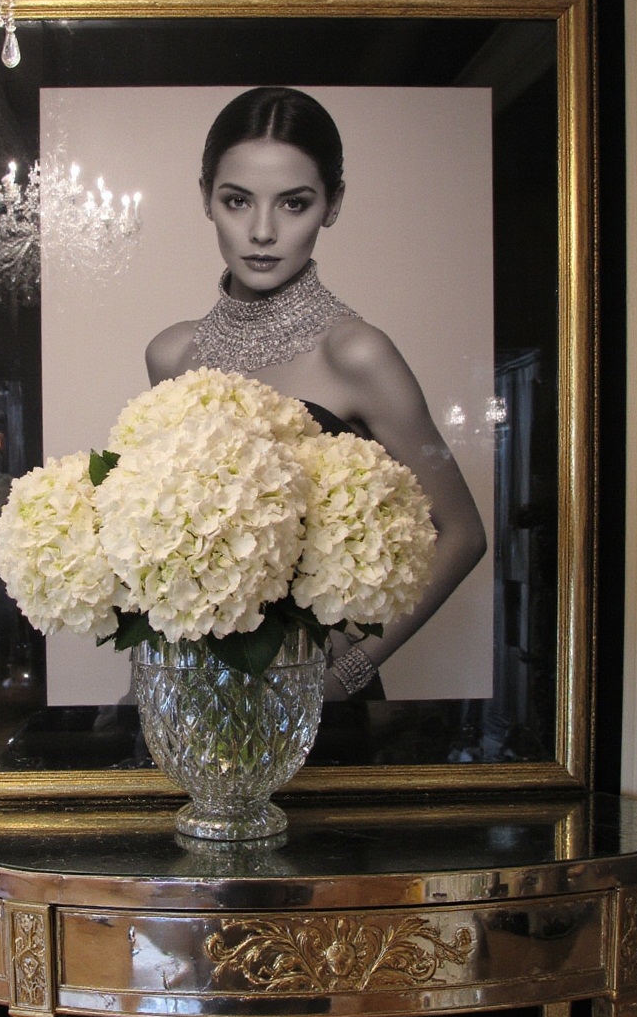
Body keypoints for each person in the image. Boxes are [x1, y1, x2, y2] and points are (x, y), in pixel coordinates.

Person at [145, 85, 488, 701]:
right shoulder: (171, 354)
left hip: (315, 694)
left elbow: (462, 533)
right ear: (206, 199)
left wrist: (345, 674)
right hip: (199, 688)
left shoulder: (357, 354)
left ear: (332, 205)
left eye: (294, 203)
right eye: (237, 200)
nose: (262, 230)